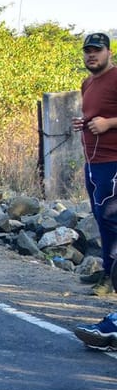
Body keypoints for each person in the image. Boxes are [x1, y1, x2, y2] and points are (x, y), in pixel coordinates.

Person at [72, 33, 117, 297]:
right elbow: (94, 115)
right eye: (87, 50)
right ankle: (108, 270)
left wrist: (108, 124)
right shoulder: (87, 82)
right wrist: (84, 122)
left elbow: (106, 119)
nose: (91, 55)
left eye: (97, 50)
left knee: (111, 220)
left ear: (109, 52)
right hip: (93, 161)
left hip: (113, 161)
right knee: (101, 219)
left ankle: (111, 281)